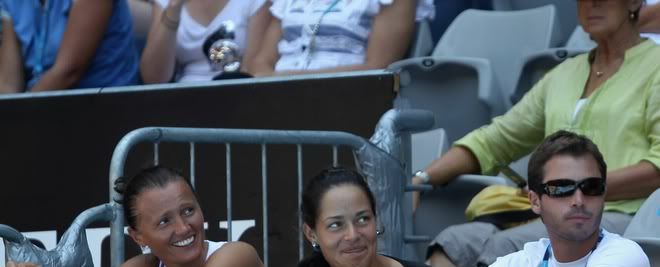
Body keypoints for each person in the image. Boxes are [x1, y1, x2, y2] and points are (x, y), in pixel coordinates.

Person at [414, 0, 660, 267]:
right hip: (550, 214)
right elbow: (497, 139)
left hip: (625, 214)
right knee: (455, 242)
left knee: (504, 248)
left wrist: (568, 191)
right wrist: (423, 178)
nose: (591, 5)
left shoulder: (656, 66)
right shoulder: (565, 73)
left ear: (634, 2)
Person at [410, 131, 656, 267]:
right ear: (535, 201)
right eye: (562, 188)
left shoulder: (627, 254)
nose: (579, 199)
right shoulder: (527, 259)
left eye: (591, 187)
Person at [1, 166, 279, 267]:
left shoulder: (238, 256)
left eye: (188, 211)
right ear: (138, 237)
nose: (184, 227)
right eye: (164, 221)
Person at [285, 166, 449, 267]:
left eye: (363, 219)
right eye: (335, 225)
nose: (353, 235)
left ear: (376, 220)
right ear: (311, 234)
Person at [249, 0, 435, 76]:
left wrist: (288, 81)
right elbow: (260, 62)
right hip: (274, 98)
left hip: (346, 99)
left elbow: (377, 68)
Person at [0, 0, 139, 93]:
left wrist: (19, 115)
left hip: (103, 108)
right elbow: (8, 84)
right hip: (41, 110)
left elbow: (68, 73)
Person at [139, 0, 270, 83]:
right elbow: (153, 79)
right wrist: (174, 8)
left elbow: (252, 73)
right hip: (183, 96)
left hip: (236, 95)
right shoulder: (164, 3)